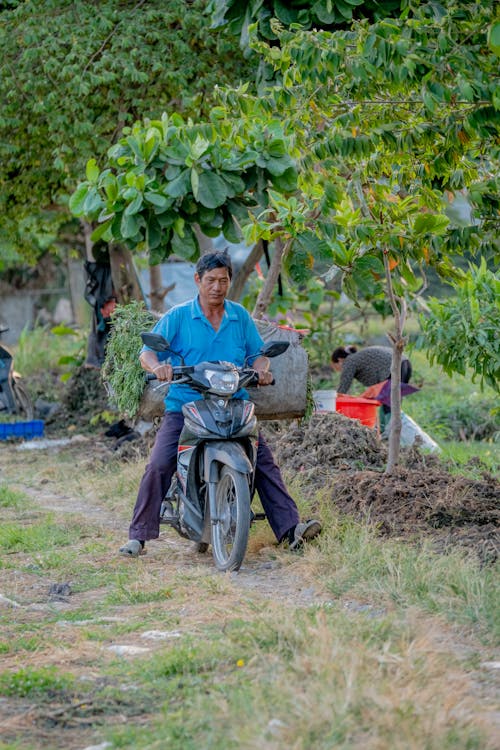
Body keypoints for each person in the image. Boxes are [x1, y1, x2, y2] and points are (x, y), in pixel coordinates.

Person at [119, 251, 321, 558]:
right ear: (198, 280)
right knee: (160, 463)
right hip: (186, 406)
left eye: (223, 280)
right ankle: (139, 535)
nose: (217, 286)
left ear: (229, 282)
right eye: (210, 280)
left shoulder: (239, 317)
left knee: (264, 463)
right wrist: (157, 367)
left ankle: (290, 530)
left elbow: (258, 354)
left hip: (233, 402)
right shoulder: (178, 316)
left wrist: (262, 369)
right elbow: (147, 353)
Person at [331, 344, 412, 404]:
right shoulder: (359, 358)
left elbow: (343, 389)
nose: (337, 370)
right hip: (405, 363)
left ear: (339, 360)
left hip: (395, 366)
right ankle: (395, 426)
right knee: (394, 404)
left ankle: (394, 426)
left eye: (335, 366)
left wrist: (332, 403)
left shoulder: (349, 361)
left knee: (390, 406)